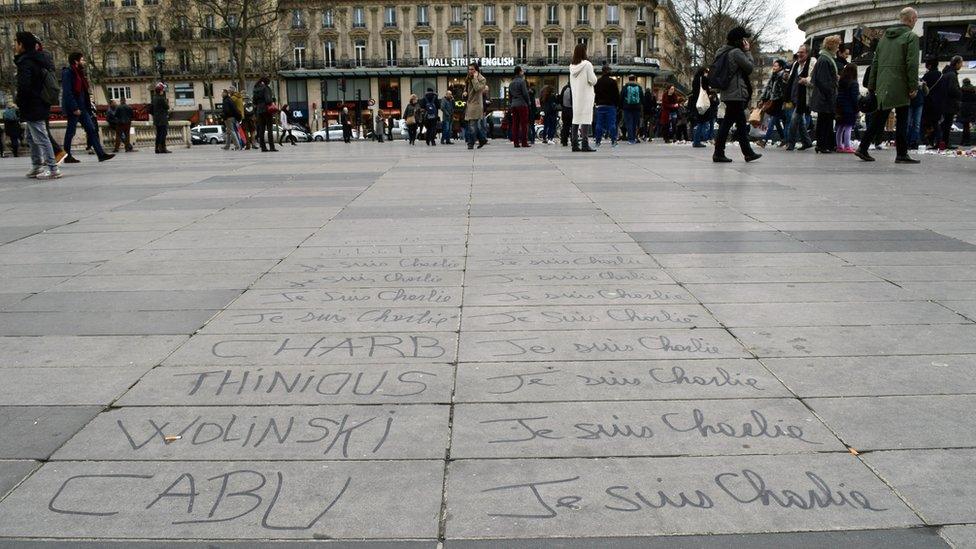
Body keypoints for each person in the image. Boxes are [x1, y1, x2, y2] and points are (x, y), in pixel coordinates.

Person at [855, 7, 920, 163]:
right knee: (902, 118)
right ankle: (901, 154)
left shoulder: (884, 38)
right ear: (911, 19)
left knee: (879, 117)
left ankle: (862, 148)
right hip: (901, 84)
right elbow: (912, 64)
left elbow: (875, 62)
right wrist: (913, 86)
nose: (915, 23)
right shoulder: (911, 37)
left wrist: (872, 85)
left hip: (884, 84)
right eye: (915, 20)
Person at [14, 32, 60, 179]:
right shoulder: (39, 59)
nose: (14, 45)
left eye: (16, 42)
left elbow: (24, 86)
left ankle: (53, 168)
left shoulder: (26, 62)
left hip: (32, 104)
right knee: (31, 137)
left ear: (22, 45)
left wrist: (20, 101)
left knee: (40, 136)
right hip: (40, 101)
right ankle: (37, 165)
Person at [712, 26, 761, 163]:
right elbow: (749, 68)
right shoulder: (736, 53)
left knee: (734, 123)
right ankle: (721, 153)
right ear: (738, 40)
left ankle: (744, 152)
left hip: (728, 92)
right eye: (744, 38)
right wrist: (747, 51)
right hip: (736, 93)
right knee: (732, 124)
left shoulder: (721, 51)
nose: (745, 41)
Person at [60, 52, 113, 163]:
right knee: (71, 132)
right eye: (82, 60)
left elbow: (83, 92)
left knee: (92, 130)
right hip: (74, 108)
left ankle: (101, 154)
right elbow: (67, 92)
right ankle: (67, 156)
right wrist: (75, 108)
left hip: (82, 108)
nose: (84, 62)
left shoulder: (79, 73)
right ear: (76, 61)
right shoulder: (68, 72)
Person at [810, 35, 841, 153]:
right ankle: (822, 145)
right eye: (837, 45)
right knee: (824, 121)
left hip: (825, 96)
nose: (838, 48)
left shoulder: (825, 58)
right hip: (825, 97)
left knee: (826, 121)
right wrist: (831, 94)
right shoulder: (825, 59)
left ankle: (826, 144)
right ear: (831, 46)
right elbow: (823, 81)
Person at [785, 44, 814, 151]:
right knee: (800, 121)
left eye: (802, 52)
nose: (799, 54)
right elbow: (792, 79)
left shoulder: (812, 63)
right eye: (798, 52)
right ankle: (807, 142)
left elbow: (815, 78)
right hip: (795, 96)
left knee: (794, 119)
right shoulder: (795, 64)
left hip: (804, 97)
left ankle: (791, 143)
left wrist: (806, 81)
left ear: (807, 53)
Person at [569, 43, 597, 152]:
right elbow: (593, 80)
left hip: (576, 97)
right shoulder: (587, 65)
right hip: (586, 96)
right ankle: (585, 144)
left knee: (575, 120)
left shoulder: (571, 66)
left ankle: (574, 145)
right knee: (585, 120)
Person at [756, 59, 788, 148]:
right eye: (773, 66)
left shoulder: (783, 76)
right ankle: (784, 139)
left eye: (776, 66)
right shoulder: (774, 76)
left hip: (779, 102)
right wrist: (762, 99)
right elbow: (767, 88)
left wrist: (783, 100)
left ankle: (764, 140)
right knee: (778, 121)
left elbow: (784, 90)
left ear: (781, 67)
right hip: (774, 101)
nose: (773, 67)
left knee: (774, 120)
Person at [938, 56, 963, 150]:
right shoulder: (952, 75)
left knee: (944, 124)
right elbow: (952, 89)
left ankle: (942, 142)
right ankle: (945, 143)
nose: (961, 65)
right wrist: (960, 93)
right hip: (949, 104)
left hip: (945, 103)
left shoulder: (946, 73)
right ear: (956, 63)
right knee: (947, 125)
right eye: (961, 63)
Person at [592, 64, 619, 148]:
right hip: (610, 105)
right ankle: (613, 141)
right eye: (609, 70)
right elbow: (616, 94)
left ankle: (598, 141)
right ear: (607, 71)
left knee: (599, 124)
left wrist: (597, 102)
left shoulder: (598, 82)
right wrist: (617, 104)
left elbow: (595, 94)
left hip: (600, 105)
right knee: (612, 124)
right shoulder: (612, 82)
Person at [835, 63, 860, 153]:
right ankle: (847, 146)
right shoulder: (854, 83)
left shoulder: (841, 81)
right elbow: (855, 98)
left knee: (840, 127)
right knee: (848, 127)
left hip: (840, 107)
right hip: (849, 108)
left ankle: (839, 146)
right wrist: (857, 108)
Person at [463, 63, 489, 150]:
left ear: (476, 70)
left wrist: (474, 78)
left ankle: (471, 143)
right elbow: (466, 89)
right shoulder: (468, 78)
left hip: (476, 104)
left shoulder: (482, 79)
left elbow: (478, 88)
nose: (470, 71)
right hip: (470, 103)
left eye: (472, 69)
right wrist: (464, 93)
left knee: (472, 125)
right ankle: (482, 139)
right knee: (472, 125)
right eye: (469, 69)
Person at [921, 58, 944, 147]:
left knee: (927, 123)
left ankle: (927, 141)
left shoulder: (927, 76)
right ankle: (938, 142)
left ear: (929, 65)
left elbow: (922, 88)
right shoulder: (941, 75)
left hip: (929, 103)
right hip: (939, 103)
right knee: (936, 123)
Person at [689, 68, 713, 148]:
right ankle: (697, 141)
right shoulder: (703, 79)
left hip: (697, 103)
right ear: (704, 72)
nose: (707, 74)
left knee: (700, 122)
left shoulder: (695, 79)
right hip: (703, 103)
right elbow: (707, 89)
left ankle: (697, 140)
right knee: (702, 122)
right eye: (706, 72)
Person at [252, 76, 277, 152]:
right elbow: (268, 100)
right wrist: (272, 100)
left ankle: (263, 147)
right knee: (269, 129)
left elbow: (254, 101)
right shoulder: (266, 88)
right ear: (267, 82)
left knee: (261, 129)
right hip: (267, 110)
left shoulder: (255, 89)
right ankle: (272, 147)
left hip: (259, 110)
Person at [508, 66, 531, 147]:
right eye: (522, 71)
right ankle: (524, 142)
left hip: (514, 104)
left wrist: (511, 104)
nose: (523, 72)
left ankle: (516, 142)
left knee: (515, 124)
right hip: (522, 104)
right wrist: (528, 102)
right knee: (524, 124)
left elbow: (510, 95)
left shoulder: (511, 83)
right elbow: (525, 94)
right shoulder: (522, 82)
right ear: (520, 72)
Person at [618, 75, 643, 145]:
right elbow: (642, 98)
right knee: (635, 124)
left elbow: (621, 97)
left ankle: (630, 139)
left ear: (628, 79)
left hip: (627, 108)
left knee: (629, 123)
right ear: (635, 79)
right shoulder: (639, 87)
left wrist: (621, 107)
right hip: (637, 108)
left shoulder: (625, 87)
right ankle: (634, 138)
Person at [151, 82, 171, 154]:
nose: (163, 91)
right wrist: (167, 102)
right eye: (162, 90)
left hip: (156, 119)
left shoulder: (154, 98)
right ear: (160, 91)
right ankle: (163, 148)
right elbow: (167, 107)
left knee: (158, 134)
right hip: (162, 119)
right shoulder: (161, 98)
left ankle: (156, 148)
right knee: (163, 134)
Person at [907, 76, 926, 150]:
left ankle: (913, 141)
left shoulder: (921, 80)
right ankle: (908, 141)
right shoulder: (908, 79)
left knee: (916, 123)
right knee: (909, 123)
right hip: (911, 103)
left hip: (918, 103)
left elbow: (926, 92)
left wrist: (924, 86)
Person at [960, 78, 975, 147]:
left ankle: (964, 141)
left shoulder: (961, 90)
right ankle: (966, 141)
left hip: (964, 109)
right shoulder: (974, 89)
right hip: (972, 109)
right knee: (968, 126)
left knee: (965, 126)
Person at [558, 82, 573, 146]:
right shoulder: (573, 88)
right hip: (571, 110)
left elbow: (560, 99)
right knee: (573, 126)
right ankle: (573, 141)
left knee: (565, 126)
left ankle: (564, 141)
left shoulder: (564, 88)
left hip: (564, 110)